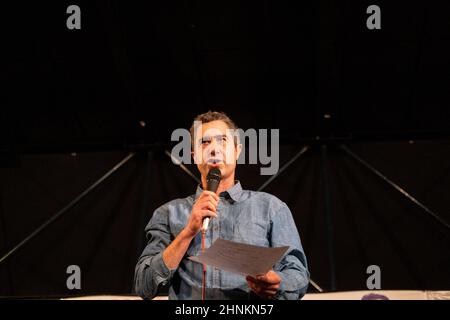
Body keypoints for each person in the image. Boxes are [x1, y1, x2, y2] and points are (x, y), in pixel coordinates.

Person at [134, 111, 309, 300]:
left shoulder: (271, 208)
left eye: (222, 140)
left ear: (237, 150)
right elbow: (144, 285)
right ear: (194, 156)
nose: (214, 150)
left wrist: (277, 282)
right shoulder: (168, 213)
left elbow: (298, 274)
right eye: (204, 142)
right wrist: (187, 232)